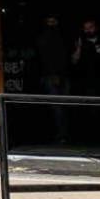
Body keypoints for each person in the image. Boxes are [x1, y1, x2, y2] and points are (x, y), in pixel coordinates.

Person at [35, 15, 70, 143]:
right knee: (57, 107)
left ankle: (62, 134)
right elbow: (45, 59)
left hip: (62, 76)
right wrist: (53, 74)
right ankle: (61, 134)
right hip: (51, 76)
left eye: (53, 21)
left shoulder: (61, 37)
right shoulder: (44, 39)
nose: (51, 25)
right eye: (49, 22)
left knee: (62, 107)